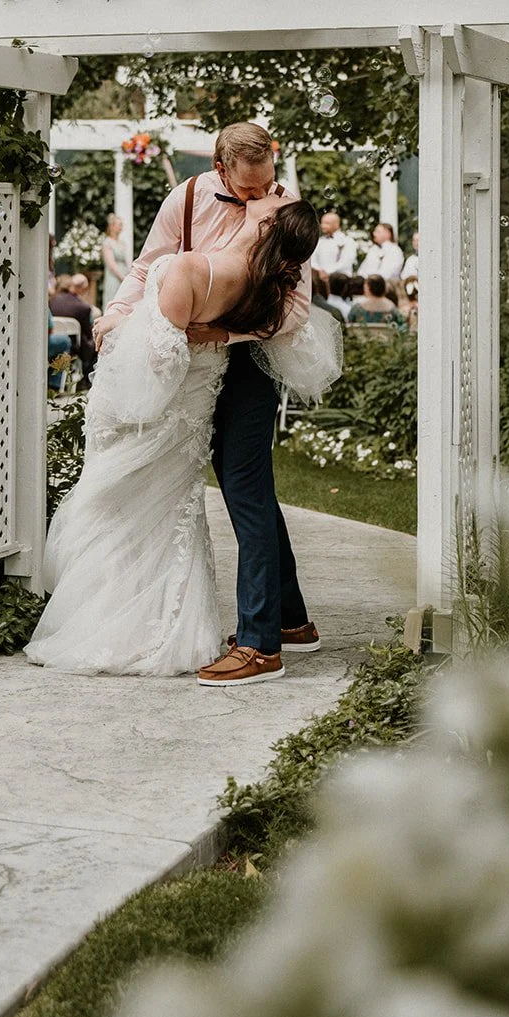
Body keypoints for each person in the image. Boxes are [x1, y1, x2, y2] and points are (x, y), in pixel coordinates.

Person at [25, 186, 339, 679]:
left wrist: (224, 334)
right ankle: (291, 620)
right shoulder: (190, 201)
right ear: (222, 171)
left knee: (244, 488)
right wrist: (120, 314)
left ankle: (261, 643)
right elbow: (145, 266)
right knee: (242, 489)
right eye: (251, 188)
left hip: (244, 365)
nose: (262, 193)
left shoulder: (284, 212)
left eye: (266, 188)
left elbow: (293, 313)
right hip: (199, 370)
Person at [49, 272, 96, 379]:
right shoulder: (83, 307)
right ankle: (86, 380)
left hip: (53, 336)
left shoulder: (51, 301)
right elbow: (87, 333)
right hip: (73, 347)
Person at [310, 211, 357, 283]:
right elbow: (313, 259)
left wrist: (327, 272)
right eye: (322, 223)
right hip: (320, 280)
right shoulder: (320, 241)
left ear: (336, 225)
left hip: (341, 281)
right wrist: (319, 271)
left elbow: (346, 262)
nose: (322, 226)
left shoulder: (348, 241)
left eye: (326, 223)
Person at [101, 213, 129, 311]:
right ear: (112, 226)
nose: (121, 227)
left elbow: (126, 262)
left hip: (124, 274)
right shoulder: (107, 242)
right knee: (113, 299)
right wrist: (122, 277)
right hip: (114, 277)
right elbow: (111, 264)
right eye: (119, 224)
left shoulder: (122, 243)